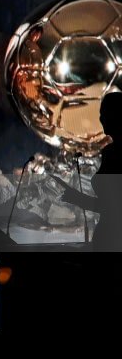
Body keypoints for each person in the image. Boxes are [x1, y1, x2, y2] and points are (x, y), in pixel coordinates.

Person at [55, 91, 121, 251]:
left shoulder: (115, 154)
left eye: (104, 113)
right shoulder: (109, 151)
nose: (100, 119)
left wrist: (77, 198)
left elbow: (114, 208)